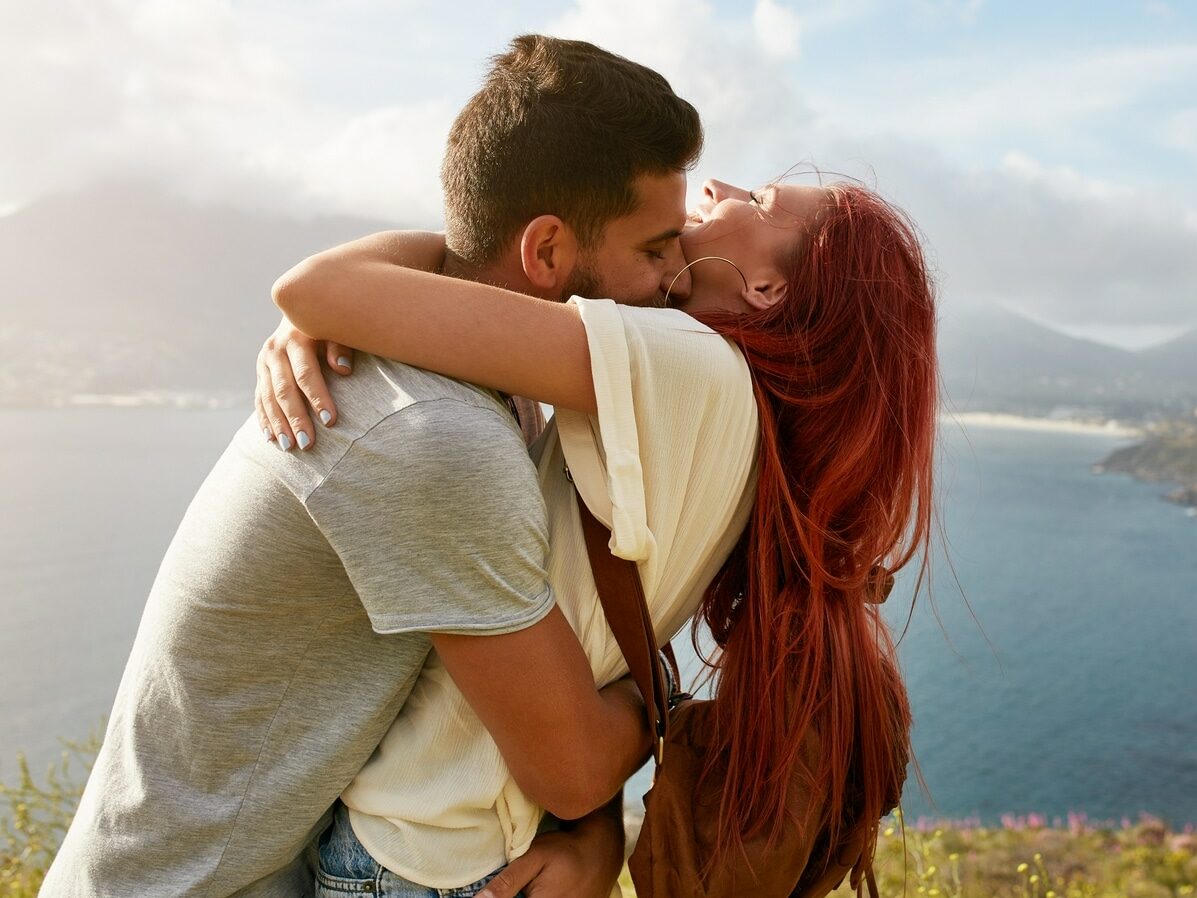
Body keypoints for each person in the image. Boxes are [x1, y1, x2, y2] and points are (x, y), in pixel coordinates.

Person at [40, 35, 701, 898]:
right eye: (654, 249)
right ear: (544, 254)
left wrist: (593, 838)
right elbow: (570, 766)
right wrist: (660, 702)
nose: (677, 277)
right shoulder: (437, 434)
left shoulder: (486, 383)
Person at [256, 171, 939, 894]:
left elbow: (318, 289)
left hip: (422, 856)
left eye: (764, 202)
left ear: (767, 290)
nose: (720, 184)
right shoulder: (737, 417)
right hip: (476, 851)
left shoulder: (690, 365)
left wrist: (326, 318)